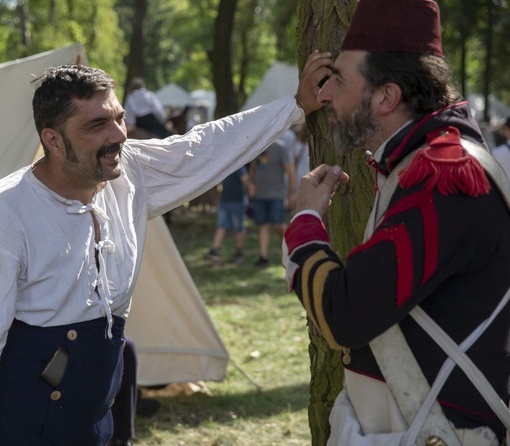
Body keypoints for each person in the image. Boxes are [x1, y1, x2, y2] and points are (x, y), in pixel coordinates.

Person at [0, 54, 332, 446]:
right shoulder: (1, 211)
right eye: (97, 124)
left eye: (119, 117)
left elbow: (204, 147)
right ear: (52, 139)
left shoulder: (130, 173)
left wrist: (293, 107)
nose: (119, 135)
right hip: (24, 426)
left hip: (94, 423)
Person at [282, 1, 510, 445]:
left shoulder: (443, 174)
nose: (324, 94)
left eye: (340, 80)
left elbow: (344, 315)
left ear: (386, 97)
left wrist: (306, 221)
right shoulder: (419, 163)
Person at [249, 131, 297, 267]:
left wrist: (292, 193)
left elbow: (290, 171)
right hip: (260, 194)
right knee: (262, 225)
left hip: (276, 194)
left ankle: (291, 247)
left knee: (278, 225)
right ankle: (263, 257)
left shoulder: (281, 148)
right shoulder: (257, 148)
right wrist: (251, 184)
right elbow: (253, 167)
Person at [206, 166, 253, 265]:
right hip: (224, 201)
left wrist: (250, 191)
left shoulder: (239, 166)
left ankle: (239, 252)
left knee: (238, 227)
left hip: (238, 202)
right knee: (221, 225)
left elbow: (245, 180)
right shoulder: (224, 165)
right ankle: (214, 251)